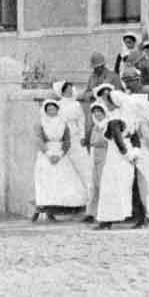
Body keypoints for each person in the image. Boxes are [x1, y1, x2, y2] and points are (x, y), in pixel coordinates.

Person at [95, 90, 149, 230]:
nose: (105, 104)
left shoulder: (115, 120)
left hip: (117, 156)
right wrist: (134, 154)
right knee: (130, 186)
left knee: (112, 187)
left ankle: (107, 221)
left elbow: (118, 140)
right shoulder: (130, 118)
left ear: (113, 103)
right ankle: (140, 218)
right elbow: (135, 139)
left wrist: (127, 155)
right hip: (128, 155)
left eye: (107, 102)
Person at [32, 99, 85, 222]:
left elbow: (67, 141)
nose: (52, 111)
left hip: (60, 152)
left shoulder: (63, 123)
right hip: (46, 152)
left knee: (63, 180)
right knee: (46, 181)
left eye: (54, 109)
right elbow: (39, 139)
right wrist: (49, 153)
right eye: (49, 109)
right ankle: (44, 208)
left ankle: (61, 208)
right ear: (45, 111)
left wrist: (61, 154)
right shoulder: (40, 123)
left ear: (57, 109)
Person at [53, 81, 93, 220]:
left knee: (85, 170)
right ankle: (67, 207)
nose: (70, 91)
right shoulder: (57, 105)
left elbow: (81, 121)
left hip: (75, 140)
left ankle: (91, 207)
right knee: (66, 172)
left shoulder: (76, 105)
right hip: (62, 140)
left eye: (71, 89)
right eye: (67, 90)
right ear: (62, 92)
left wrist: (82, 136)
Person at [84, 102, 111, 224]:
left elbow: (105, 141)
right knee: (93, 185)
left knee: (103, 183)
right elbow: (91, 141)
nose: (97, 114)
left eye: (99, 112)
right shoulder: (95, 126)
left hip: (105, 155)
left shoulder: (108, 124)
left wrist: (97, 141)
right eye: (95, 112)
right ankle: (91, 212)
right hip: (95, 155)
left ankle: (104, 212)